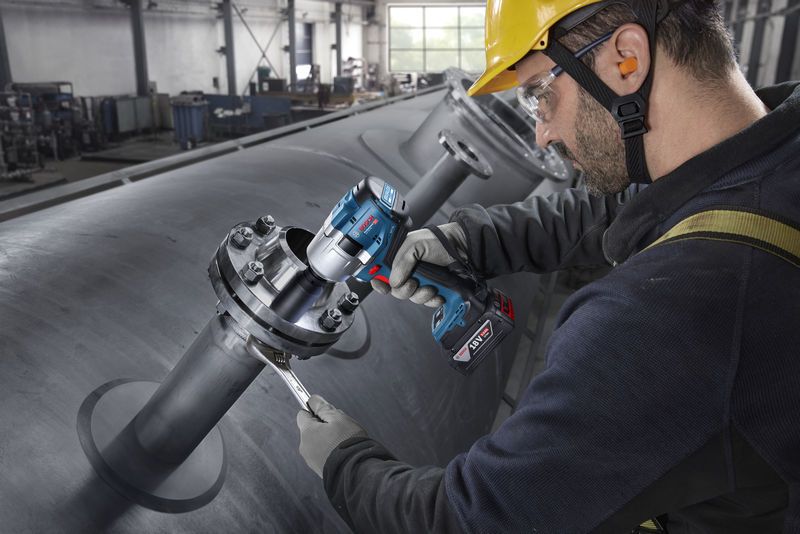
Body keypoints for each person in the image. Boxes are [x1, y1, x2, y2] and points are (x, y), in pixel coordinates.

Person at [296, 0, 800, 531]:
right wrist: (468, 242)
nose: (542, 134)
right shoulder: (768, 157)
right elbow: (620, 205)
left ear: (626, 60)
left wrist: (343, 461)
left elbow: (476, 517)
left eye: (542, 95)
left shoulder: (668, 316)